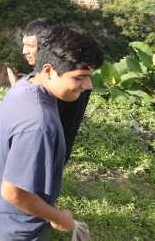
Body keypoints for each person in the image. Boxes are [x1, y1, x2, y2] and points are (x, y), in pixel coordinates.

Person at [0, 25, 104, 240]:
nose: (87, 85)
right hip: (18, 226)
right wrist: (58, 217)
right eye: (79, 77)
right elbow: (13, 192)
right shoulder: (39, 125)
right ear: (48, 70)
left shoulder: (25, 83)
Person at [8, 18, 92, 163]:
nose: (24, 51)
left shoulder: (62, 82)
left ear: (46, 46)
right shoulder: (69, 76)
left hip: (44, 154)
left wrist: (18, 89)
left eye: (30, 46)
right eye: (24, 45)